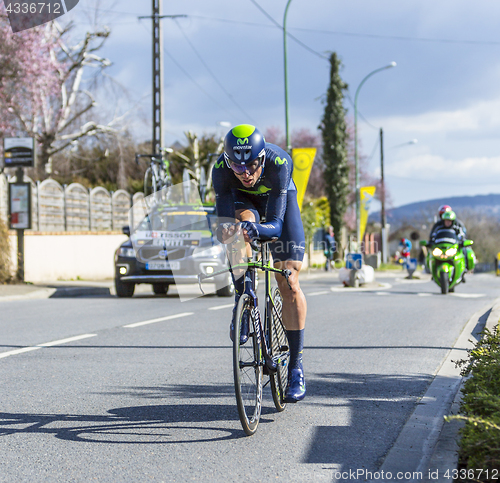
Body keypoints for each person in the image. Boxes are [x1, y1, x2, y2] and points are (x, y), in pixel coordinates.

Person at [212, 124, 307, 403]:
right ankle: (243, 296)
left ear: (262, 158)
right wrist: (233, 232)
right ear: (228, 161)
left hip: (279, 203)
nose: (245, 173)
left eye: (252, 165)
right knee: (237, 230)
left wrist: (260, 231)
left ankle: (296, 368)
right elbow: (224, 224)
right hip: (244, 205)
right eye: (237, 167)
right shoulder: (220, 171)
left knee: (288, 280)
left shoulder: (279, 163)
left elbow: (276, 226)